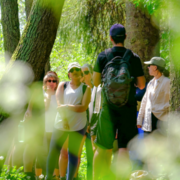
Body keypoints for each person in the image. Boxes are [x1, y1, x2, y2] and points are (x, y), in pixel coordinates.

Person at [93, 23, 146, 180]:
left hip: (107, 108)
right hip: (128, 108)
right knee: (123, 148)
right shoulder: (133, 57)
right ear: (125, 37)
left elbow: (95, 82)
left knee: (102, 147)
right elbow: (142, 84)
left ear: (110, 38)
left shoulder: (103, 56)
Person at [46, 62, 91, 180]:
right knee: (54, 151)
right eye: (72, 71)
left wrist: (66, 107)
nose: (75, 73)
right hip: (61, 124)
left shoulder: (86, 88)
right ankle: (48, 177)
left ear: (80, 73)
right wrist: (65, 119)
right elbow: (59, 103)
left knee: (73, 155)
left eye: (77, 70)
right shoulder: (62, 85)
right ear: (69, 74)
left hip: (78, 126)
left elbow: (83, 107)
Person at [137, 57, 170, 133]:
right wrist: (139, 120)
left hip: (161, 123)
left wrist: (161, 110)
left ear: (155, 67)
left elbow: (171, 102)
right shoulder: (151, 83)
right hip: (148, 122)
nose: (148, 67)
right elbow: (144, 102)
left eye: (150, 65)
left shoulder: (167, 82)